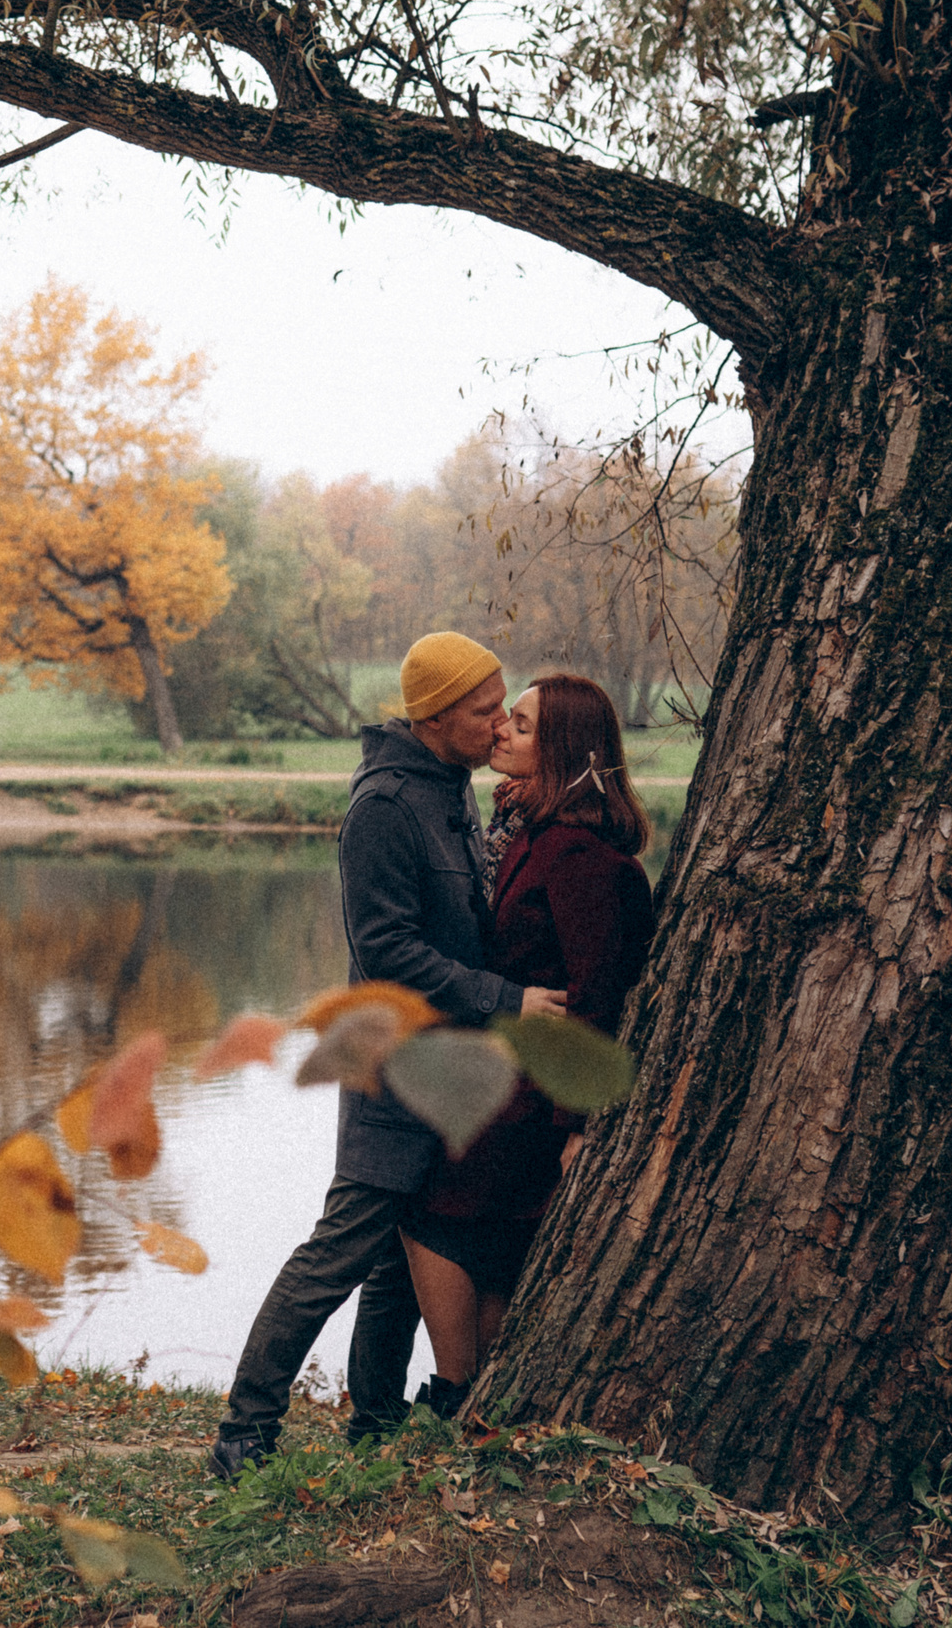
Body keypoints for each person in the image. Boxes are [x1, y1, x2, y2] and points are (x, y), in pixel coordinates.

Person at [208, 633, 567, 1477]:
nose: (497, 721)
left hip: (448, 1076)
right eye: (485, 709)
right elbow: (387, 952)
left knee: (403, 1256)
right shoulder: (383, 807)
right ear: (437, 714)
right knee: (341, 1248)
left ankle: (374, 1421)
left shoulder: (453, 787)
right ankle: (244, 1429)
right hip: (390, 1072)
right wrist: (506, 999)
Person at [400, 673, 656, 1417]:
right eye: (503, 718)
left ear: (564, 747)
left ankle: (453, 1391)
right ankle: (475, 1399)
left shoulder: (579, 856)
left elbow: (600, 996)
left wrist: (577, 1124)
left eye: (520, 722)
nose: (501, 732)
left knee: (431, 1216)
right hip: (505, 1081)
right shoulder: (531, 832)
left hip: (534, 1097)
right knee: (490, 1253)